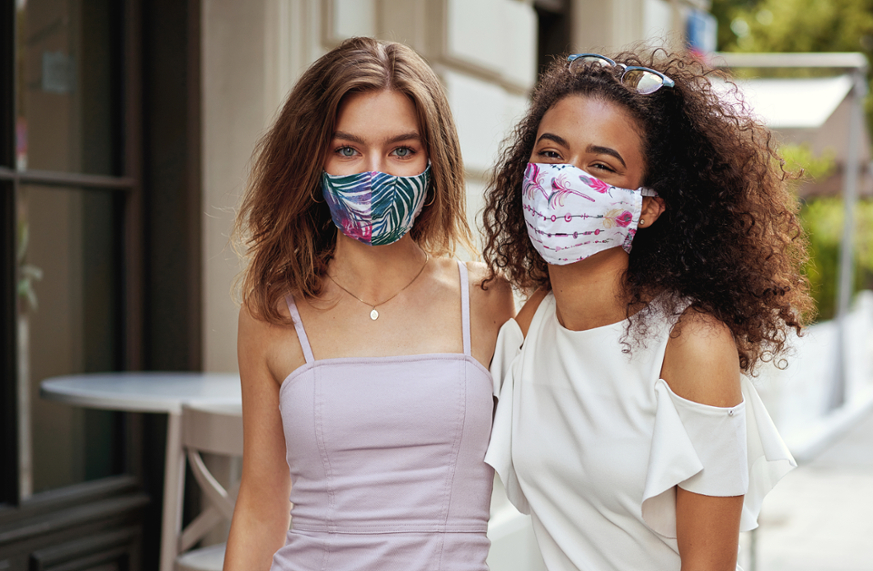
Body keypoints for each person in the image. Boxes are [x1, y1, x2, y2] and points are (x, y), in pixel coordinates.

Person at [481, 49, 813, 571]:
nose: (564, 180)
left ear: (649, 206)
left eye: (601, 166)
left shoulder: (691, 344)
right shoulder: (529, 325)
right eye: (550, 154)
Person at [225, 37, 513, 571]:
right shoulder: (273, 313)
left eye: (402, 150)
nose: (374, 173)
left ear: (434, 164)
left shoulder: (491, 300)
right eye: (347, 149)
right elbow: (261, 506)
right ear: (315, 162)